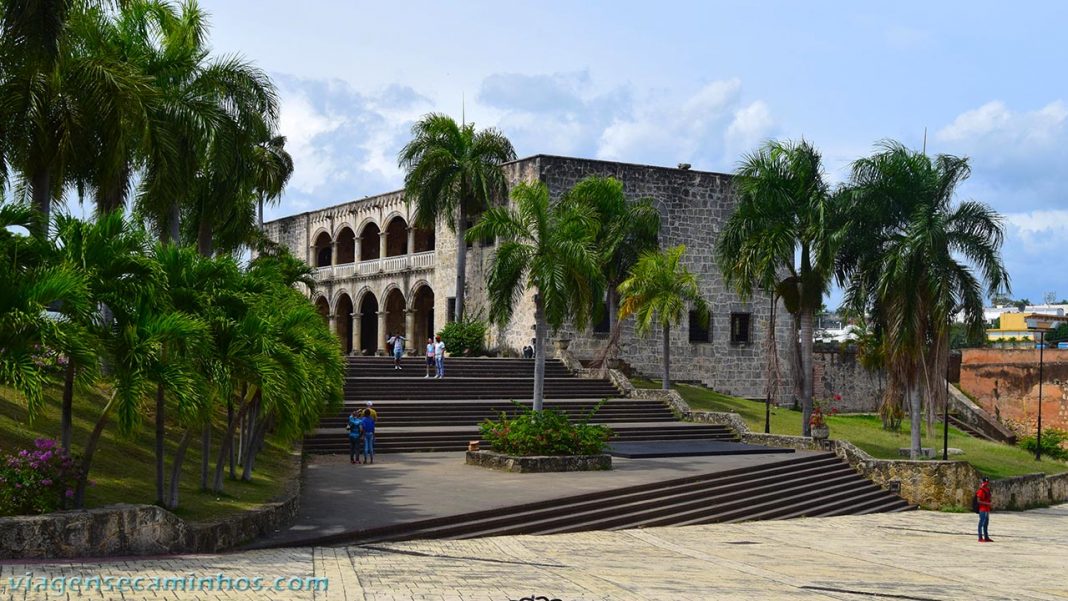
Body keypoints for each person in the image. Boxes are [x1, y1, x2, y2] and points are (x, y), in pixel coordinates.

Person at [976, 477, 993, 542]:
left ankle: (986, 537)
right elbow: (978, 501)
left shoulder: (987, 490)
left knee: (986, 524)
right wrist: (987, 503)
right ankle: (980, 537)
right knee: (981, 523)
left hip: (987, 509)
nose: (986, 484)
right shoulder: (981, 490)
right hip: (982, 509)